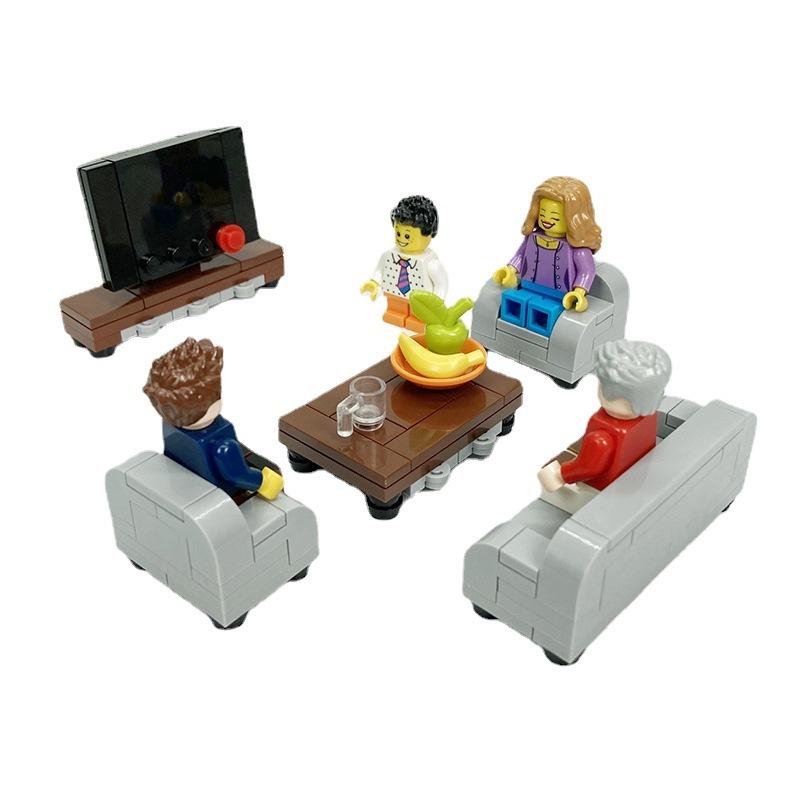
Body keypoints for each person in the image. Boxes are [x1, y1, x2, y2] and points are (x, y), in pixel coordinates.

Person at [538, 340, 671, 513]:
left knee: (547, 478)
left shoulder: (601, 437)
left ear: (613, 392)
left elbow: (587, 468)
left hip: (597, 491)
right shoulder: (648, 417)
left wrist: (559, 475)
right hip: (633, 474)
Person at [143, 337, 284, 500]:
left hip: (187, 483)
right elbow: (238, 476)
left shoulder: (170, 426)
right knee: (272, 470)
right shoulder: (223, 446)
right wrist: (264, 482)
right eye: (217, 392)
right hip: (225, 495)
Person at [493, 176, 601, 336]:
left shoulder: (578, 250)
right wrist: (510, 270)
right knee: (514, 303)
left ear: (574, 218)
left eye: (555, 217)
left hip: (560, 298)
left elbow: (586, 271)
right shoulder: (532, 238)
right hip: (527, 288)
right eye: (543, 213)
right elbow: (520, 256)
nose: (547, 220)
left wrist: (578, 292)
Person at [361, 195, 448, 332]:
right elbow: (380, 270)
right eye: (398, 233)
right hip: (394, 294)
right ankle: (394, 314)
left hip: (420, 302)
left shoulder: (430, 262)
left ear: (428, 234)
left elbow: (441, 284)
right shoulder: (389, 255)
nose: (401, 239)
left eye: (407, 235)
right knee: (395, 309)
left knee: (417, 314)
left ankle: (417, 321)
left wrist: (436, 301)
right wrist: (374, 282)